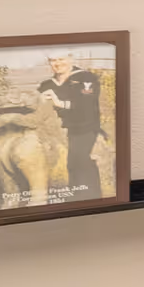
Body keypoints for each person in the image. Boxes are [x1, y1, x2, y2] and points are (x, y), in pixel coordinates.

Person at [37, 53, 105, 199]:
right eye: (53, 60)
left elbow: (87, 105)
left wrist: (59, 103)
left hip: (84, 127)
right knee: (69, 165)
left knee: (80, 161)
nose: (57, 63)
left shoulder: (86, 78)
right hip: (56, 130)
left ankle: (91, 198)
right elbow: (38, 109)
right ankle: (75, 198)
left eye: (61, 59)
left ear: (70, 59)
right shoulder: (46, 84)